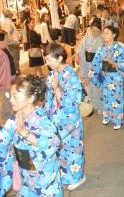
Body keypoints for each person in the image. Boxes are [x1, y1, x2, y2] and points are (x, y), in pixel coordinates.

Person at [0, 75, 62, 196]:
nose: (11, 100)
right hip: (25, 179)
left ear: (31, 98)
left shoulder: (42, 122)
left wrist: (24, 132)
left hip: (44, 181)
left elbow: (53, 142)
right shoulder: (14, 119)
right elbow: (2, 140)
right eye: (11, 96)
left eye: (15, 96)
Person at [44, 43, 86, 190]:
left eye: (49, 59)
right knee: (61, 149)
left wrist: (56, 88)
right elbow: (47, 97)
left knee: (73, 149)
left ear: (60, 57)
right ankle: (66, 174)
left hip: (70, 119)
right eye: (46, 59)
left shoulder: (70, 74)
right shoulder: (51, 74)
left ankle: (78, 177)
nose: (47, 63)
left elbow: (73, 100)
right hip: (56, 118)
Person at [90, 25, 124, 130]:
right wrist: (92, 75)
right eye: (104, 33)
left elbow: (123, 65)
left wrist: (114, 63)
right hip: (105, 76)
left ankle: (117, 120)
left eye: (107, 33)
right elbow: (95, 63)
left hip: (115, 78)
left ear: (114, 35)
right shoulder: (101, 49)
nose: (104, 35)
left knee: (116, 99)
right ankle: (107, 116)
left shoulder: (119, 49)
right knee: (105, 98)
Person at [76, 18, 104, 114]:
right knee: (89, 86)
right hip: (87, 64)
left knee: (98, 86)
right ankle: (92, 105)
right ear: (90, 29)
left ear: (101, 30)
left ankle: (100, 106)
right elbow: (80, 50)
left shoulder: (103, 39)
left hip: (98, 67)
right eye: (94, 31)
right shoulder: (86, 38)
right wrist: (78, 56)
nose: (95, 33)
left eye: (98, 31)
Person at [0, 29, 15, 125]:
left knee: (10, 99)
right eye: (5, 38)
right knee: (6, 101)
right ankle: (5, 122)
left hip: (10, 79)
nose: (7, 39)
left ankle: (11, 118)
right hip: (4, 82)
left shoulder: (4, 48)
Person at [0, 9, 20, 74]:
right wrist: (14, 42)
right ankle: (16, 73)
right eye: (12, 12)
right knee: (15, 59)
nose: (12, 13)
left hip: (10, 43)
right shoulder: (8, 22)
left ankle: (16, 72)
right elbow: (7, 34)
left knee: (14, 59)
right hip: (12, 44)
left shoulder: (6, 21)